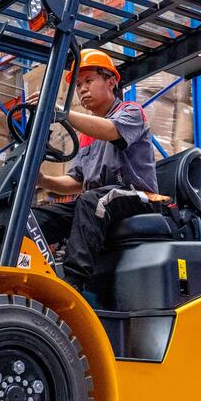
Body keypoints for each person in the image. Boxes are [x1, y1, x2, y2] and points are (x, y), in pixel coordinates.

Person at [31, 49, 171, 291]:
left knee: (92, 201)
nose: (82, 89)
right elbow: (75, 182)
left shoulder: (130, 112)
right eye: (78, 85)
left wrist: (63, 113)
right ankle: (34, 276)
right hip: (102, 201)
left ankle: (72, 285)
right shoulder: (86, 135)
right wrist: (42, 179)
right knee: (36, 217)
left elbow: (111, 130)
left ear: (111, 82)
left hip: (138, 197)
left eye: (88, 81)